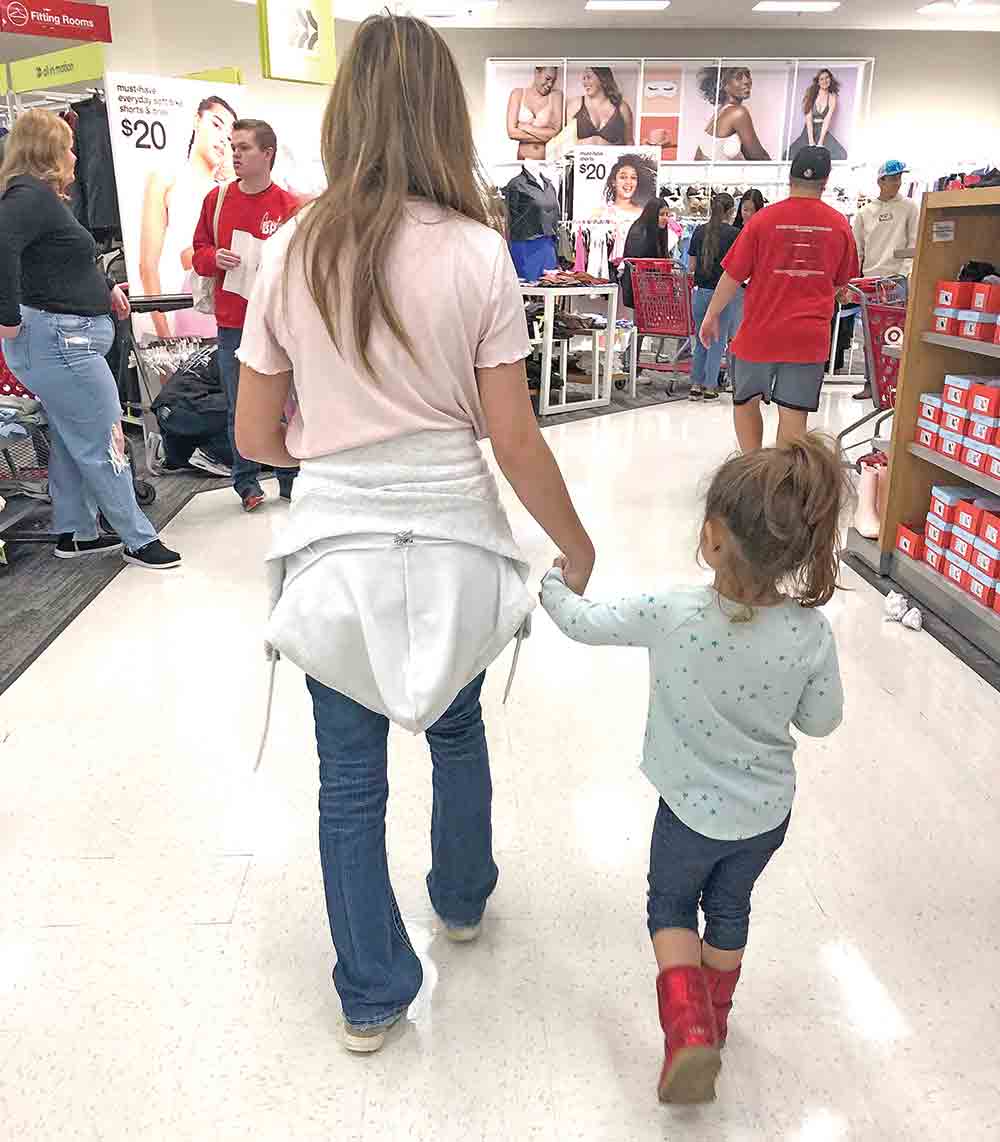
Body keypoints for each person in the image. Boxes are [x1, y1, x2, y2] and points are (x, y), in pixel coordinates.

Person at [235, 14, 594, 1054]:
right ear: (446, 112)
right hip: (457, 546)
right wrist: (574, 543)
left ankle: (371, 990)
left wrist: (340, 441)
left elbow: (257, 434)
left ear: (344, 112)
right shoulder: (482, 253)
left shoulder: (290, 249)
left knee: (347, 778)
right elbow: (512, 436)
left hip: (335, 553)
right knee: (456, 728)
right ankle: (464, 895)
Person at [540, 434, 845, 1105]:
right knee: (730, 906)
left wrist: (553, 585)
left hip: (689, 814)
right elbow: (821, 722)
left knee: (672, 905)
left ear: (713, 538)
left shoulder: (672, 614)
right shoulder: (810, 633)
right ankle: (719, 1017)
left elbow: (584, 623)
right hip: (765, 817)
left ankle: (687, 1031)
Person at [0, 110, 181, 570]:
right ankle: (138, 538)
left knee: (70, 437)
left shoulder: (39, 199)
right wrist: (5, 317)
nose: (76, 155)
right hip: (60, 343)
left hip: (64, 339)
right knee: (106, 439)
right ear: (48, 152)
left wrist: (107, 289)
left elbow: (60, 265)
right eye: (68, 145)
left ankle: (77, 532)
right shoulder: (28, 196)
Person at [699, 146, 859, 451]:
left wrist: (711, 316)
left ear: (790, 177)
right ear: (825, 181)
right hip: (808, 338)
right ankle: (782, 480)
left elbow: (732, 275)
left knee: (746, 402)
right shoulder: (840, 225)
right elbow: (842, 284)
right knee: (794, 413)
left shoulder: (762, 220)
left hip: (759, 332)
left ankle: (752, 466)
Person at [192, 118, 299, 512]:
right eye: (232, 146)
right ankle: (246, 481)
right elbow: (198, 250)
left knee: (288, 401)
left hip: (280, 322)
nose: (234, 154)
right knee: (241, 402)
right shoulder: (216, 200)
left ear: (267, 154)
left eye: (244, 148)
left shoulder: (291, 207)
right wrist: (213, 257)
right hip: (234, 321)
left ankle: (289, 475)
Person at [140, 95, 237, 340]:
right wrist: (164, 336)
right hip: (191, 301)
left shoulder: (229, 190)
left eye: (229, 137)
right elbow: (147, 266)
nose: (222, 140)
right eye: (216, 125)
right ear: (197, 120)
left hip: (231, 300)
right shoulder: (166, 178)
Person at [849, 160, 920, 399]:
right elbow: (856, 249)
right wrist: (852, 280)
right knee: (869, 335)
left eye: (899, 177)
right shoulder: (864, 213)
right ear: (881, 181)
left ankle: (895, 385)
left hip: (897, 281)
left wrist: (904, 274)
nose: (897, 182)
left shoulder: (910, 207)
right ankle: (871, 383)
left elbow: (913, 244)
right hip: (870, 282)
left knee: (895, 335)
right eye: (892, 178)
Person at [688, 192, 741, 401]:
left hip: (700, 293)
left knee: (701, 340)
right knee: (718, 341)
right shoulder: (735, 234)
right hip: (724, 294)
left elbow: (691, 265)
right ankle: (710, 387)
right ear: (731, 211)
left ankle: (695, 385)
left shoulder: (699, 231)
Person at [694, 67, 770, 162]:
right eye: (738, 77)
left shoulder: (721, 111)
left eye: (747, 75)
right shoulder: (738, 113)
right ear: (724, 84)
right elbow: (759, 157)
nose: (747, 81)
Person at [786, 69, 847, 162]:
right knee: (789, 155)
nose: (825, 81)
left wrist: (820, 143)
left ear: (830, 79)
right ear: (818, 82)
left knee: (841, 154)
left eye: (827, 78)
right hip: (809, 130)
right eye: (821, 79)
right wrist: (811, 141)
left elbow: (827, 120)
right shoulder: (811, 94)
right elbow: (808, 119)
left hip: (822, 130)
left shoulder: (832, 97)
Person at [506, 66, 563, 161]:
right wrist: (545, 135)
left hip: (547, 163)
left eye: (553, 81)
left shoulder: (556, 96)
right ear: (537, 72)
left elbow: (556, 134)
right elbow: (512, 133)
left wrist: (525, 127)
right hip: (522, 162)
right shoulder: (517, 94)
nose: (550, 84)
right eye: (548, 78)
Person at [568, 67, 635, 146]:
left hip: (613, 158)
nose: (585, 82)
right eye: (583, 78)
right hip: (584, 158)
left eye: (589, 77)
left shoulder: (622, 107)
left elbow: (629, 142)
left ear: (602, 78)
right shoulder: (575, 105)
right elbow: (567, 142)